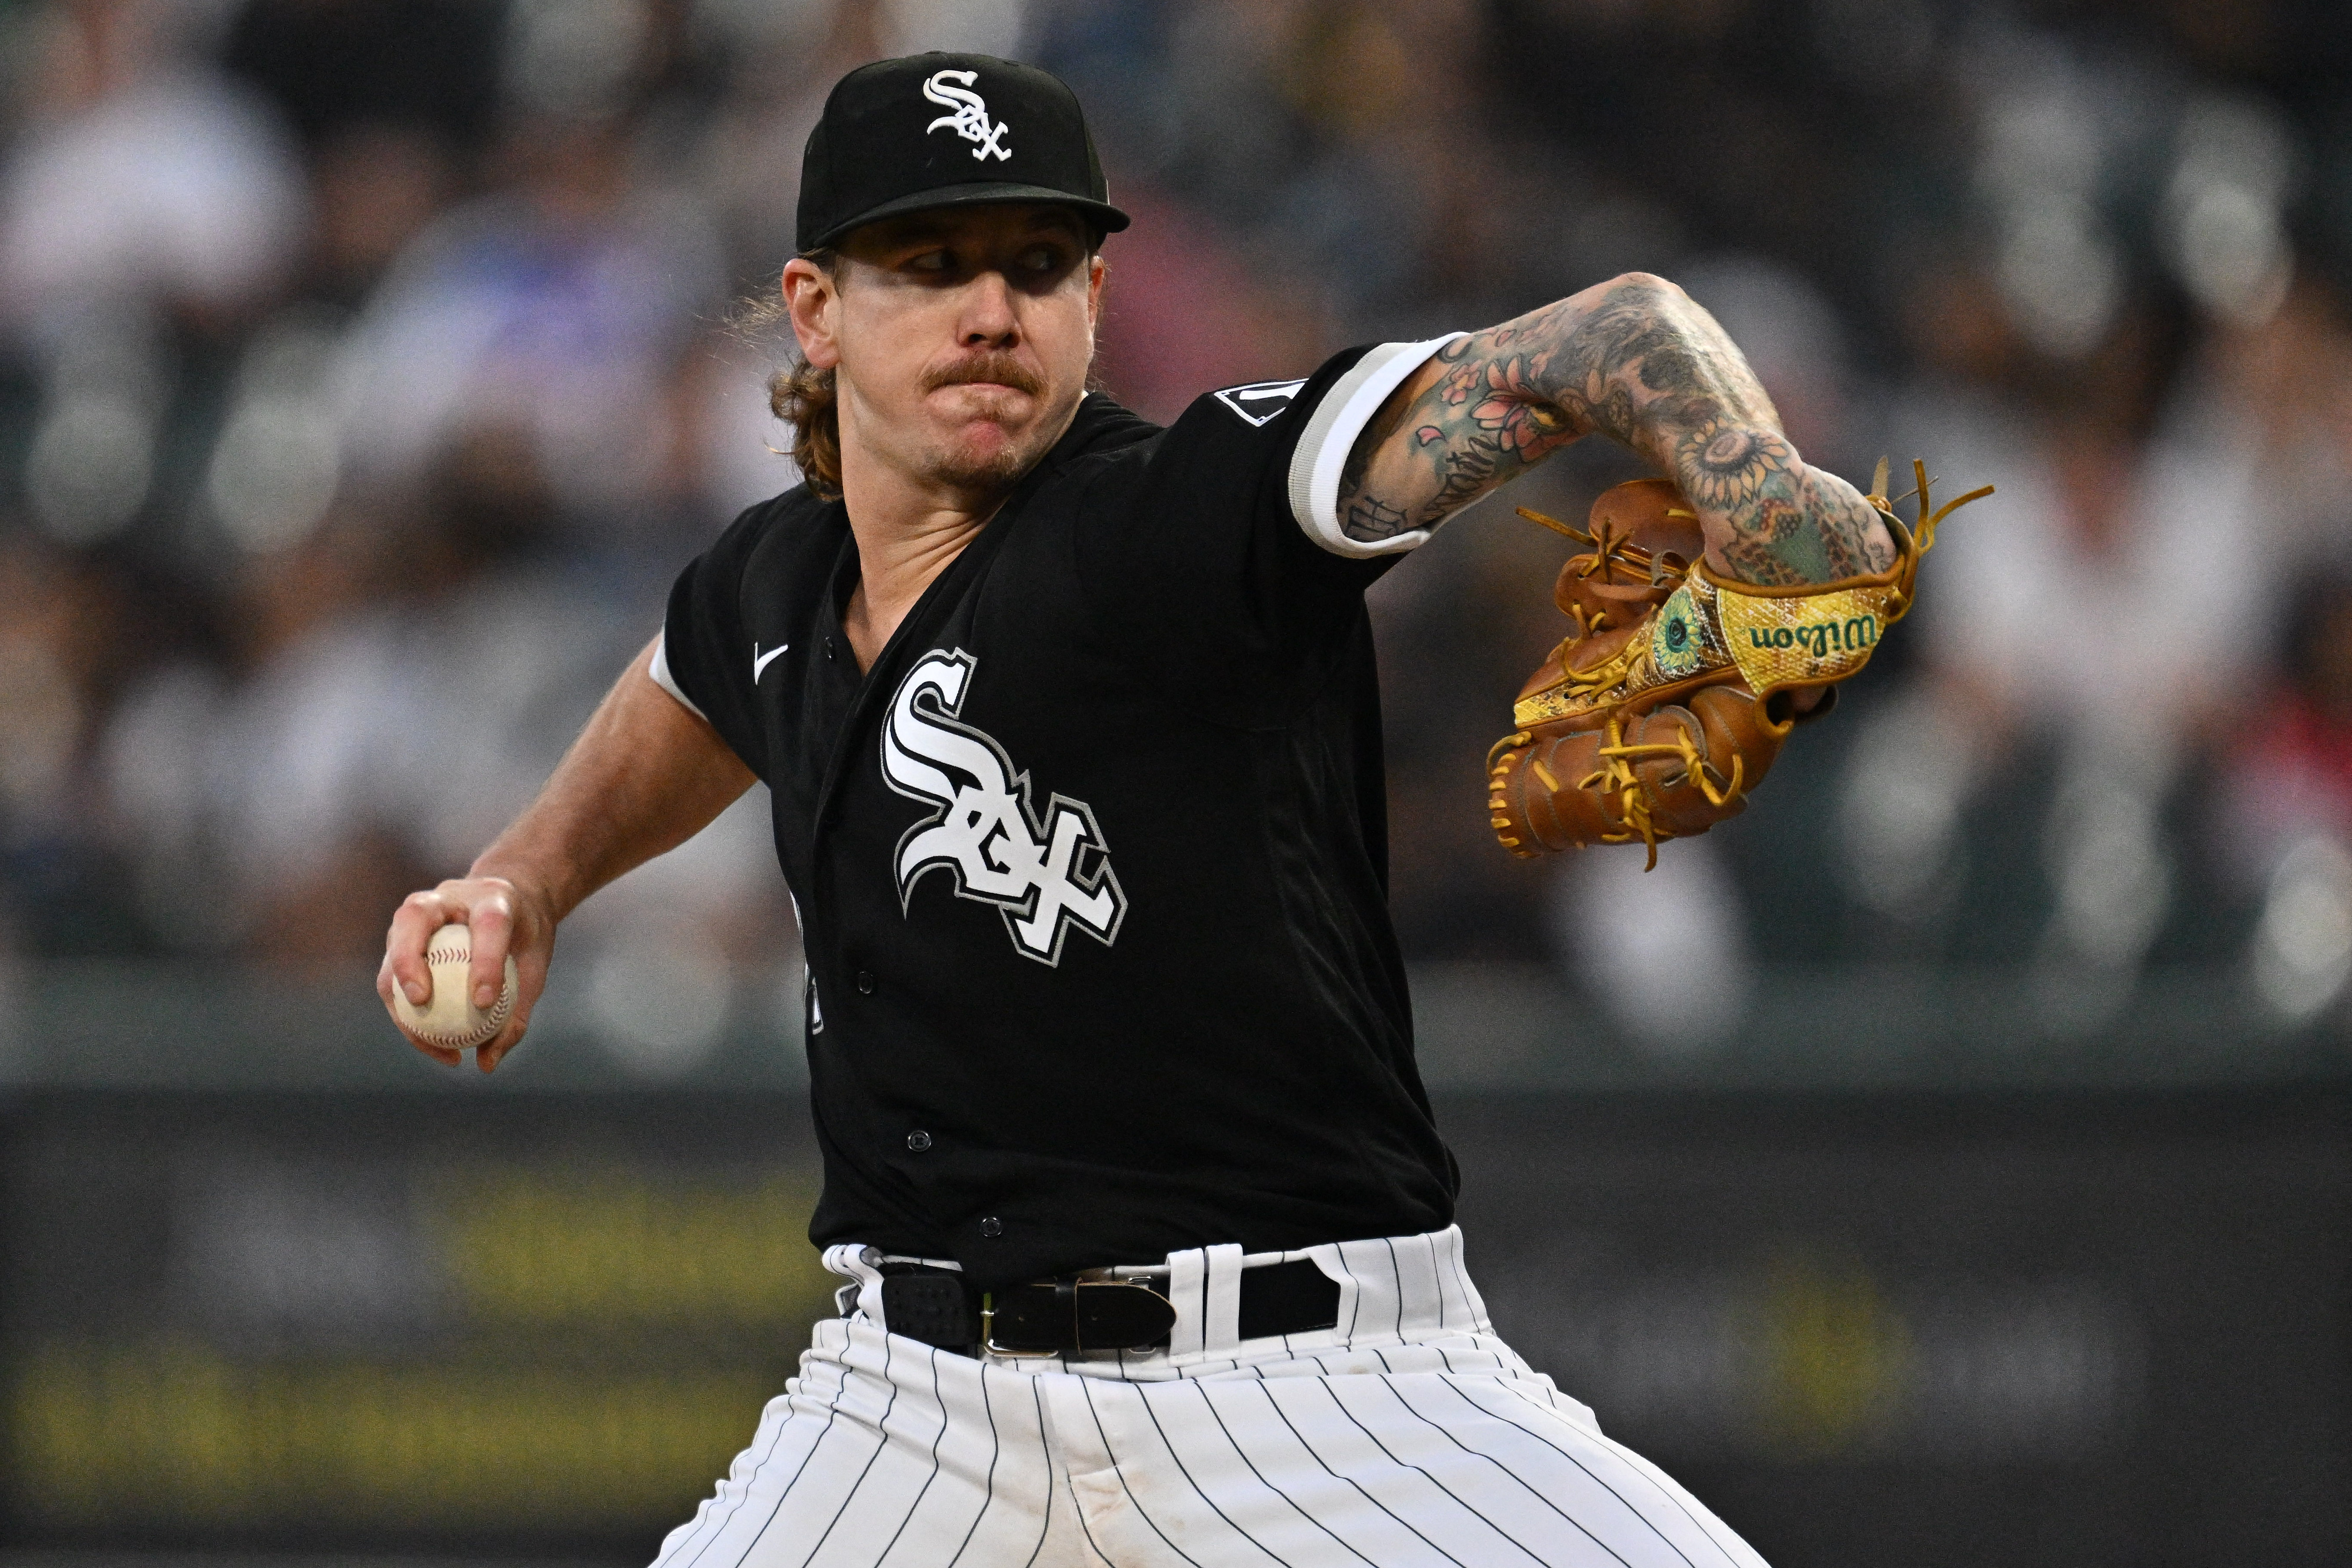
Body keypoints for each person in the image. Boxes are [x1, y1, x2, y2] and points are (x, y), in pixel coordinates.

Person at [379, 52, 1890, 1567]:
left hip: (1317, 1385)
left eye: (1039, 264)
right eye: (931, 262)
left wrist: (1749, 473)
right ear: (817, 307)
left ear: (1098, 300)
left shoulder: (1185, 514)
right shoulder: (773, 578)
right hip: (915, 1404)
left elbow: (1604, 335)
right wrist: (528, 877)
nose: (992, 310)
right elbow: (696, 684)